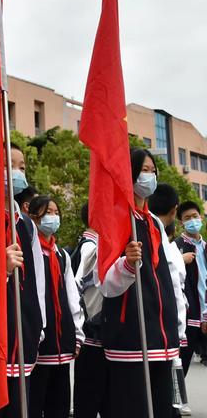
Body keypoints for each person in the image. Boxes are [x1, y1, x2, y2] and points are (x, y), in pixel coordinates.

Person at [100, 148, 186, 418]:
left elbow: (172, 276)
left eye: (153, 171)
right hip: (131, 340)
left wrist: (177, 327)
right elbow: (105, 283)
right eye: (143, 171)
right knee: (132, 409)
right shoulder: (116, 216)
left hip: (162, 339)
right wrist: (126, 264)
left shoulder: (153, 223)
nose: (149, 177)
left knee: (161, 409)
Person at [0, 143, 45, 418]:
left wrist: (39, 324)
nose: (19, 172)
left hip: (23, 334)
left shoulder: (26, 224)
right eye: (11, 165)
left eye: (22, 167)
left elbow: (37, 281)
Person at [28, 195, 84, 418]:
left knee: (59, 405)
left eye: (55, 212)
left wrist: (77, 335)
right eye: (46, 213)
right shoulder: (29, 252)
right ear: (33, 217)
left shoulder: (61, 255)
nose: (53, 217)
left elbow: (72, 297)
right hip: (40, 345)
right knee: (34, 403)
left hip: (62, 343)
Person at [148, 183, 189, 417]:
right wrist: (179, 332)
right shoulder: (157, 235)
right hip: (163, 331)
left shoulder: (156, 232)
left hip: (160, 331)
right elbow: (175, 289)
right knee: (162, 401)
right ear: (174, 210)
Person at [73, 203, 109, 418]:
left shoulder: (86, 244)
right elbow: (80, 289)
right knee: (91, 399)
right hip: (92, 334)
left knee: (93, 397)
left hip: (91, 334)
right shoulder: (91, 247)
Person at [175, 201, 207, 376]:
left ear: (201, 217)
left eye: (195, 216)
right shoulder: (176, 247)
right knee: (181, 365)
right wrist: (180, 259)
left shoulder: (206, 247)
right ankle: (175, 403)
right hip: (189, 317)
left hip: (205, 313)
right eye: (187, 218)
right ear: (181, 222)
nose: (192, 220)